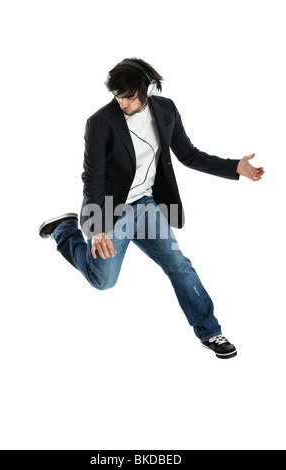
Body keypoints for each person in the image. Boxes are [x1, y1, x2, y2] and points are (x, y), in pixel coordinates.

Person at [39, 58, 264, 359]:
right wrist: (95, 230)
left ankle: (210, 331)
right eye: (118, 96)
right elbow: (92, 178)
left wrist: (234, 167)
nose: (123, 103)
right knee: (103, 281)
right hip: (111, 210)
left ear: (146, 89)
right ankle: (65, 231)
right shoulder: (100, 122)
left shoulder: (166, 109)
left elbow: (189, 155)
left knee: (179, 265)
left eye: (129, 97)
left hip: (146, 207)